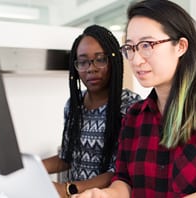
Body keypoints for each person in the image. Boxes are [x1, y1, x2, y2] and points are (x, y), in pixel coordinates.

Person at [73, 1, 196, 198]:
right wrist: (106, 195)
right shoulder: (135, 116)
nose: (135, 59)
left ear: (181, 46)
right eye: (130, 47)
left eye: (146, 45)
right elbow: (124, 180)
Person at [42, 24, 141, 198]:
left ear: (113, 61)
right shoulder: (74, 105)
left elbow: (119, 171)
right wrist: (29, 168)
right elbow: (67, 157)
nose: (91, 68)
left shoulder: (130, 106)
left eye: (100, 59)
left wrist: (68, 189)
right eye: (82, 61)